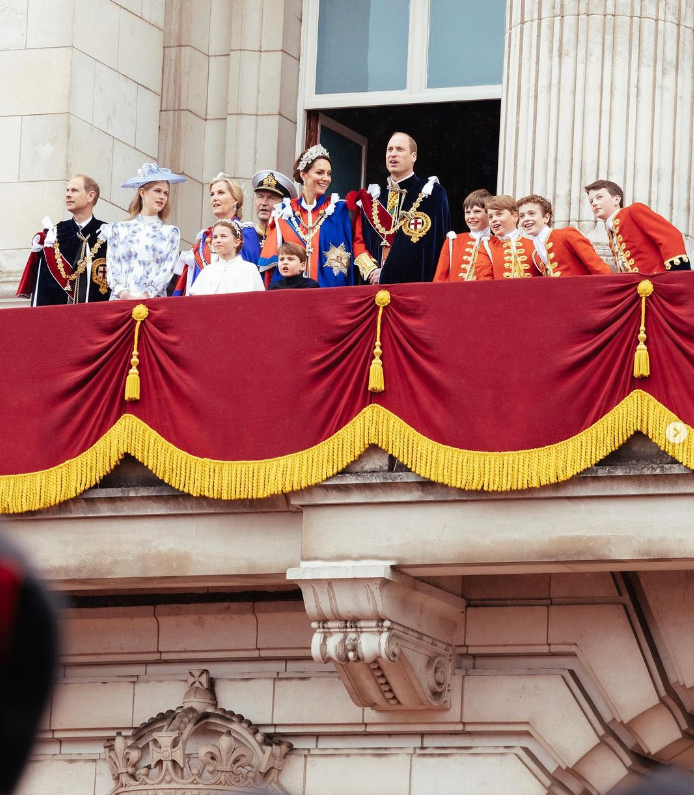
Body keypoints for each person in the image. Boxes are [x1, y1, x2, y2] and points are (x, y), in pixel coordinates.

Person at [347, 132, 450, 284]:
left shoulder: (432, 193)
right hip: (373, 286)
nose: (393, 154)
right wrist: (371, 270)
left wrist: (388, 273)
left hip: (415, 285)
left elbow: (434, 246)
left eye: (400, 149)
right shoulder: (373, 197)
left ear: (413, 156)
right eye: (390, 149)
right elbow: (358, 241)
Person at [258, 144, 353, 288]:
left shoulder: (339, 211)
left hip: (331, 296)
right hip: (292, 299)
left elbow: (351, 264)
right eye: (320, 172)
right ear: (304, 174)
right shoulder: (284, 213)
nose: (326, 178)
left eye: (329, 173)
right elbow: (271, 267)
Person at [17, 175, 110, 305]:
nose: (68, 195)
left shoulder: (107, 234)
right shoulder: (53, 235)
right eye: (67, 190)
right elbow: (41, 287)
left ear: (91, 196)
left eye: (74, 190)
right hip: (56, 319)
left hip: (91, 318)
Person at [105, 163, 184, 300]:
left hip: (154, 303)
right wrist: (124, 295)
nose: (162, 197)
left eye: (166, 193)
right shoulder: (118, 229)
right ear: (142, 192)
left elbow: (167, 269)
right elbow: (112, 266)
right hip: (120, 302)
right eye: (157, 191)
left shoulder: (171, 233)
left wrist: (147, 295)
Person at [173, 173, 258, 295]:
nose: (214, 198)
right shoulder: (204, 238)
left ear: (235, 199)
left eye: (221, 193)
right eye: (212, 194)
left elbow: (252, 276)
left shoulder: (246, 232)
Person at [585, 179, 691, 273]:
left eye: (599, 197)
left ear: (617, 199)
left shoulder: (634, 210)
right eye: (591, 201)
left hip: (655, 283)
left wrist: (677, 275)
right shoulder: (610, 230)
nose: (594, 203)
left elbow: (671, 236)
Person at [517, 194, 611, 276]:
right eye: (522, 216)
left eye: (531, 214)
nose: (526, 219)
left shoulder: (566, 235)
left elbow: (599, 268)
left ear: (546, 217)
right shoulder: (536, 255)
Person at [189, 219, 265, 295]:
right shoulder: (207, 270)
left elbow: (258, 300)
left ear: (236, 242)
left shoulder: (250, 269)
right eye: (215, 237)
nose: (218, 240)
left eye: (223, 236)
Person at [433, 189, 493, 282]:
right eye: (468, 212)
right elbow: (440, 278)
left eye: (477, 211)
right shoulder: (453, 241)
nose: (471, 216)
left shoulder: (497, 242)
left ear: (489, 214)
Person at [485, 195, 540, 279]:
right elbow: (484, 280)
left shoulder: (534, 245)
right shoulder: (486, 247)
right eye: (490, 217)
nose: (494, 219)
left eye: (499, 214)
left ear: (515, 216)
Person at [252, 170, 298, 250]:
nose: (264, 203)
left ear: (284, 204)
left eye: (271, 198)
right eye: (260, 196)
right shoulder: (244, 235)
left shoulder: (289, 239)